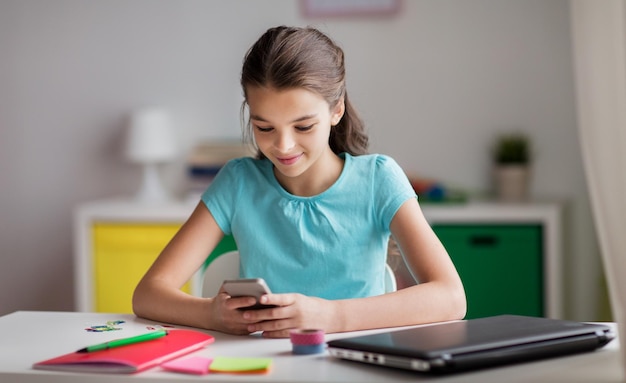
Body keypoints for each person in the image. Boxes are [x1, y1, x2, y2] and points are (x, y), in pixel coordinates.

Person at [133, 25, 466, 338]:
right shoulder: (238, 182)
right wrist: (212, 315)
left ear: (336, 110)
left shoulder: (379, 179)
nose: (283, 146)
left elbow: (451, 297)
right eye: (265, 128)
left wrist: (332, 317)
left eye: (303, 127)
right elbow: (148, 294)